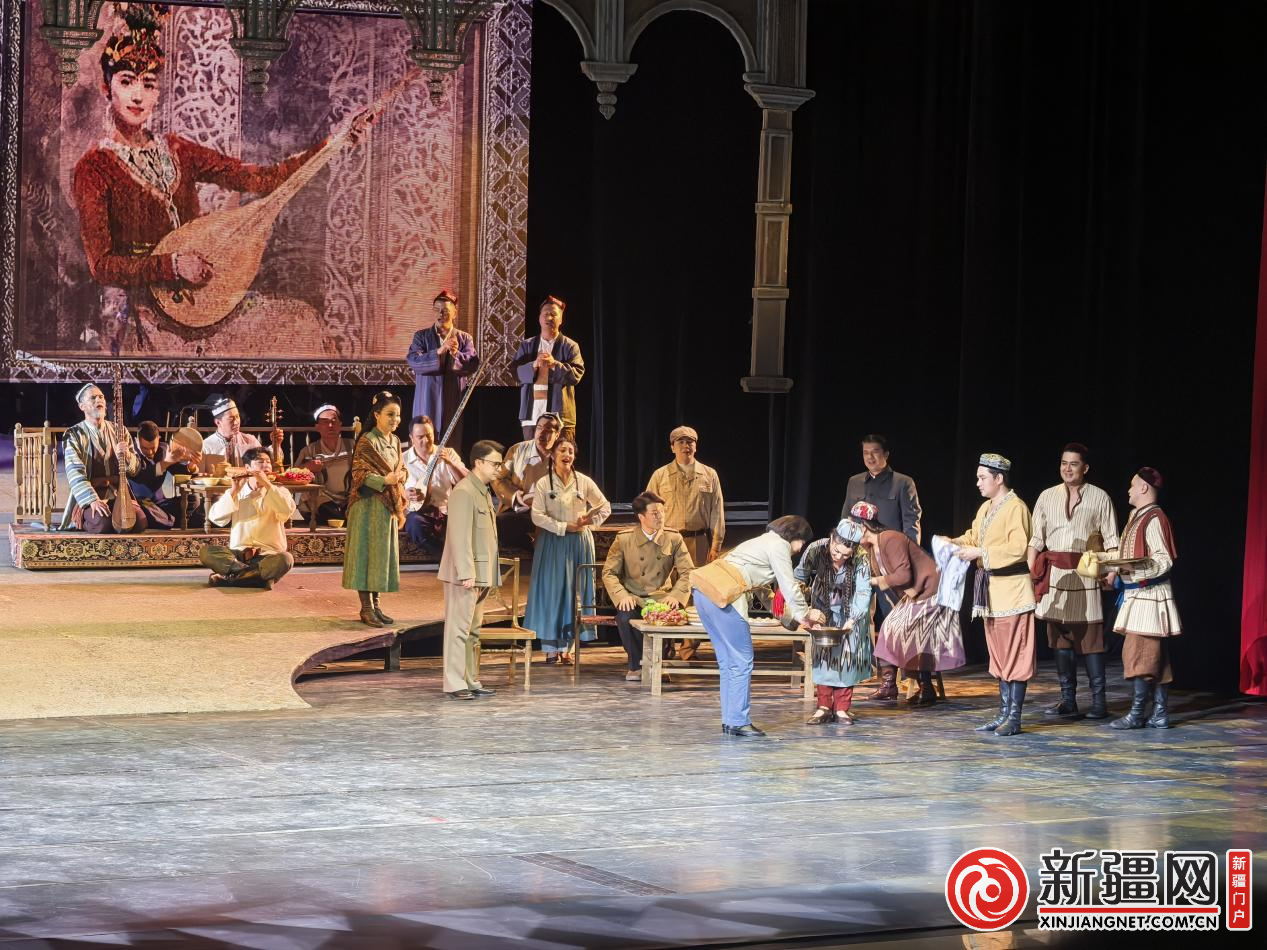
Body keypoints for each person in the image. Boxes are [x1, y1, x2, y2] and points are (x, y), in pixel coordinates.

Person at [71, 5, 370, 355]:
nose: (138, 95)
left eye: (148, 84)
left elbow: (262, 180)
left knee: (301, 320)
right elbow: (102, 265)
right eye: (126, 81)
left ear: (157, 93)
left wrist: (335, 141)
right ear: (107, 88)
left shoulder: (178, 150)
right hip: (147, 310)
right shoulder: (93, 168)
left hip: (204, 299)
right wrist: (172, 265)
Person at [692, 516, 818, 738]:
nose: (800, 549)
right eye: (802, 542)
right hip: (723, 596)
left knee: (728, 662)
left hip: (703, 592)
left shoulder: (759, 542)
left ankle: (731, 720)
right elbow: (788, 585)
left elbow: (763, 591)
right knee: (741, 660)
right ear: (795, 536)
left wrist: (790, 619)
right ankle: (738, 721)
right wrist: (805, 614)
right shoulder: (779, 545)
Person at [941, 453, 1036, 737]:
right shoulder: (986, 507)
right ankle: (1003, 713)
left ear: (999, 478)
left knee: (1015, 654)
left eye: (983, 478)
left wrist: (980, 552)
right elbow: (973, 536)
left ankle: (1014, 717)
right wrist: (953, 541)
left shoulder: (1016, 507)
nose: (978, 483)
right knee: (999, 655)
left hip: (1013, 592)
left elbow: (1018, 548)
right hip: (991, 593)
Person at [1027, 443, 1120, 721]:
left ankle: (1099, 702)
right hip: (1054, 576)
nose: (1067, 468)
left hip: (1086, 575)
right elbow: (1036, 539)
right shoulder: (1046, 496)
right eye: (1064, 463)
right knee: (1060, 641)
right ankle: (1068, 699)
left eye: (1074, 464)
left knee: (1092, 641)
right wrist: (1031, 572)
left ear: (1085, 468)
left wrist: (1112, 572)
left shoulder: (1100, 497)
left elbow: (1112, 540)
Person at [851, 502, 965, 707]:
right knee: (889, 626)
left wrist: (875, 581)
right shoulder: (871, 548)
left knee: (908, 631)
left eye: (853, 527)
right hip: (916, 595)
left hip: (931, 591)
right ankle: (889, 685)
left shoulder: (890, 538)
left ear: (863, 526)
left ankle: (925, 686)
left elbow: (904, 575)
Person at [840, 434, 922, 700]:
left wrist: (907, 558)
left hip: (889, 561)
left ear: (886, 454)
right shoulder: (854, 482)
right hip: (860, 559)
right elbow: (845, 520)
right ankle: (870, 674)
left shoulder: (902, 482)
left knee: (893, 619)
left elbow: (911, 523)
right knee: (858, 615)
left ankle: (901, 679)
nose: (870, 457)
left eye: (875, 452)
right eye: (865, 452)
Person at [524, 435, 611, 664]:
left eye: (570, 451)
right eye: (562, 450)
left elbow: (605, 507)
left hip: (579, 543)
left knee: (575, 594)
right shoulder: (544, 484)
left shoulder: (583, 481)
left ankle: (568, 648)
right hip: (553, 543)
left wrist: (589, 521)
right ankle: (551, 648)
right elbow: (537, 516)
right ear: (553, 455)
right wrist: (563, 526)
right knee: (553, 593)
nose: (567, 455)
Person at [645, 425, 726, 662]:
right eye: (680, 442)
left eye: (690, 441)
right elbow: (647, 509)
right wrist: (650, 539)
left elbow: (717, 511)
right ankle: (665, 647)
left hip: (698, 541)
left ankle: (688, 649)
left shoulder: (709, 474)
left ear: (696, 446)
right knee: (665, 592)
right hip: (667, 541)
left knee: (696, 594)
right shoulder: (660, 475)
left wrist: (716, 545)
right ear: (672, 447)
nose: (685, 446)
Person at [1109, 467, 1182, 730]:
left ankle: (1138, 713)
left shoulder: (1154, 518)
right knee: (1155, 657)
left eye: (1132, 485)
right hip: (1136, 593)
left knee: (1138, 653)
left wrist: (1134, 571)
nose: (1128, 490)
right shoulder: (1135, 515)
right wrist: (1114, 569)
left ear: (1143, 488)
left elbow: (1163, 559)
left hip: (1149, 594)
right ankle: (1160, 713)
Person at [602, 492, 695, 681]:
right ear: (641, 517)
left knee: (670, 615)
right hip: (634, 597)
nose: (660, 516)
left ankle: (658, 665)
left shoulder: (673, 538)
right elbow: (609, 573)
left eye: (662, 512)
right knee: (625, 616)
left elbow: (688, 572)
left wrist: (676, 595)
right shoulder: (624, 539)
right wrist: (622, 595)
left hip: (662, 596)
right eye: (654, 513)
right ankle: (636, 666)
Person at [438, 440, 505, 700]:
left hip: (481, 572)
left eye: (499, 464)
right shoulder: (464, 491)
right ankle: (454, 683)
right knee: (458, 629)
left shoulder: (482, 491)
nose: (498, 469)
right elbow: (459, 535)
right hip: (465, 575)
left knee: (472, 631)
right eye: (495, 464)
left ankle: (469, 679)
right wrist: (466, 572)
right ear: (478, 462)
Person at [794, 519, 874, 726]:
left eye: (846, 555)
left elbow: (863, 591)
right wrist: (805, 612)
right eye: (836, 551)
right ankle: (823, 706)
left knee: (848, 656)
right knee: (824, 657)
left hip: (850, 612)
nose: (839, 557)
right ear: (832, 538)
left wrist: (853, 618)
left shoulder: (861, 558)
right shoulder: (816, 549)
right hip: (822, 611)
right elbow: (797, 578)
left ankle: (842, 708)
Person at [342, 392, 407, 627]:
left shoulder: (395, 441)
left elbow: (401, 468)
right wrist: (384, 480)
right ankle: (366, 608)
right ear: (377, 414)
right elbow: (359, 474)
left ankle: (377, 606)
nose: (395, 419)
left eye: (397, 415)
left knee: (380, 556)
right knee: (366, 555)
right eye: (390, 414)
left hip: (386, 507)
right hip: (368, 505)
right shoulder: (367, 440)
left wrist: (401, 476)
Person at [198, 447, 296, 588]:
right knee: (206, 552)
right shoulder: (236, 492)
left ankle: (230, 579)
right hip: (238, 557)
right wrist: (233, 491)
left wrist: (267, 484)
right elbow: (216, 518)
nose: (266, 466)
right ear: (247, 468)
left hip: (267, 555)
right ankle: (257, 577)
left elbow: (286, 511)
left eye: (268, 462)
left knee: (286, 559)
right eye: (260, 462)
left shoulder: (280, 491)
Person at [60, 382, 146, 533]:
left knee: (139, 522)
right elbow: (74, 472)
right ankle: (83, 520)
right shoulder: (74, 434)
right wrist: (92, 500)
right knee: (103, 524)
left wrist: (126, 455)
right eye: (93, 398)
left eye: (101, 397)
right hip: (92, 496)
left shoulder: (120, 431)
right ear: (82, 406)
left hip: (119, 494)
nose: (98, 400)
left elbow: (135, 470)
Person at [406, 290, 480, 435]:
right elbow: (414, 361)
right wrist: (439, 351)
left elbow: (472, 365)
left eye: (445, 310)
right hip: (426, 397)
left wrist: (456, 354)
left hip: (452, 397)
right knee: (424, 436)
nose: (440, 314)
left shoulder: (465, 338)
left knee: (450, 439)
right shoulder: (421, 336)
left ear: (454, 313)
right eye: (436, 310)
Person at [512, 296, 584, 440]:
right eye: (545, 314)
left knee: (560, 453)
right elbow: (515, 373)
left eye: (553, 314)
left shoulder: (570, 346)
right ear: (539, 318)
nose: (549, 317)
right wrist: (533, 365)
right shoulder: (527, 345)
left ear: (561, 320)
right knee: (532, 454)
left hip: (560, 417)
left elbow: (576, 375)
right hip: (532, 415)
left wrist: (554, 364)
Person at [402, 414, 468, 554]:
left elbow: (466, 482)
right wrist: (405, 494)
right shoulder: (403, 459)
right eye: (420, 437)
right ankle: (448, 557)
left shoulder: (448, 453)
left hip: (446, 512)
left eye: (429, 435)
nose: (426, 440)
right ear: (411, 438)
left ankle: (450, 557)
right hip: (419, 513)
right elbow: (394, 489)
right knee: (414, 524)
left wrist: (450, 463)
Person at [129, 419, 200, 528]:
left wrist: (191, 466)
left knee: (193, 499)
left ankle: (170, 521)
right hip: (141, 502)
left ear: (159, 438)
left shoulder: (164, 449)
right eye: (145, 448)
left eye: (153, 448)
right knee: (145, 512)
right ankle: (171, 521)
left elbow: (177, 470)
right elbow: (142, 476)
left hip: (161, 502)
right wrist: (166, 462)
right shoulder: (131, 453)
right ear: (137, 440)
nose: (150, 452)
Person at [295, 404, 355, 524]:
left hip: (349, 497)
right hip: (323, 498)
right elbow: (293, 474)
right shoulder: (309, 450)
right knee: (332, 512)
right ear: (317, 427)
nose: (330, 426)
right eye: (325, 422)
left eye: (334, 421)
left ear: (340, 424)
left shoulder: (353, 446)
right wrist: (308, 467)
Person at [201, 396, 283, 468]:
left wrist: (276, 445)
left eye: (237, 417)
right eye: (231, 419)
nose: (236, 422)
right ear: (218, 422)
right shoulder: (206, 446)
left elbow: (268, 462)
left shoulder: (250, 441)